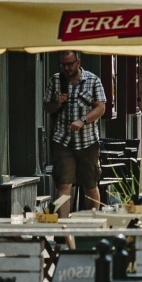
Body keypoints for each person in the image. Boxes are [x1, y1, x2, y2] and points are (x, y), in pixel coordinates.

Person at [46, 51, 107, 212]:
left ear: (78, 62)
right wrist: (56, 103)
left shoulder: (92, 80)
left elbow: (101, 108)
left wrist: (83, 120)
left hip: (87, 141)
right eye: (63, 65)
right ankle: (63, 232)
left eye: (70, 64)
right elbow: (47, 107)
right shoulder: (56, 80)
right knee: (64, 184)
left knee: (90, 184)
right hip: (62, 140)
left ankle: (93, 225)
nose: (66, 68)